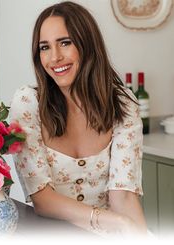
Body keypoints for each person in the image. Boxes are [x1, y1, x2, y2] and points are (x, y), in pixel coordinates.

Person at [10, 1, 147, 236]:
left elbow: (123, 197)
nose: (55, 57)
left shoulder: (123, 103)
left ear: (88, 44)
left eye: (65, 43)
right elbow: (43, 200)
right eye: (45, 47)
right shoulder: (28, 103)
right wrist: (116, 222)